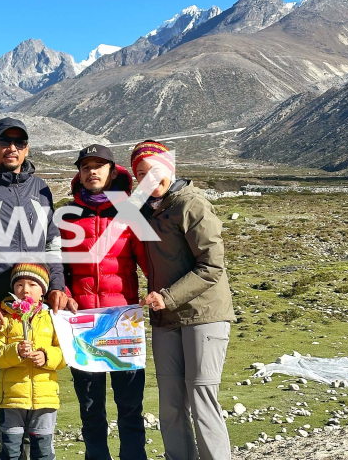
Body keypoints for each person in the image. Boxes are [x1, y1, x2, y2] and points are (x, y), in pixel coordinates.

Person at [0, 118, 67, 460]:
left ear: (27, 149)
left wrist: (58, 286)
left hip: (36, 309)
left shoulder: (41, 189)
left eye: (19, 143)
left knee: (33, 385)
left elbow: (52, 245)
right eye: (5, 141)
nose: (12, 148)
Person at [132, 141, 236, 460]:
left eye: (155, 171)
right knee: (171, 404)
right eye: (141, 174)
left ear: (170, 168)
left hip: (204, 315)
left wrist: (167, 297)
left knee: (202, 399)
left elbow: (212, 265)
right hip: (166, 319)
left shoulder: (191, 204)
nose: (149, 179)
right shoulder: (146, 209)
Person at [56, 144, 149, 460]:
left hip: (124, 320)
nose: (91, 171)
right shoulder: (67, 215)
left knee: (130, 404)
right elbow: (59, 266)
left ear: (112, 172)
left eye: (99, 165)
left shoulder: (129, 214)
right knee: (90, 405)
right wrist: (64, 293)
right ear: (79, 174)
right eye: (85, 167)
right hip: (82, 322)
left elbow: (150, 262)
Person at [0, 261, 65, 460]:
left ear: (44, 291)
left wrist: (47, 356)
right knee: (10, 450)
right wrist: (16, 351)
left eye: (32, 285)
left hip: (45, 399)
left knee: (43, 451)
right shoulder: (5, 317)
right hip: (12, 399)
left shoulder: (52, 318)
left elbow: (64, 353)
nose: (25, 290)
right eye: (19, 285)